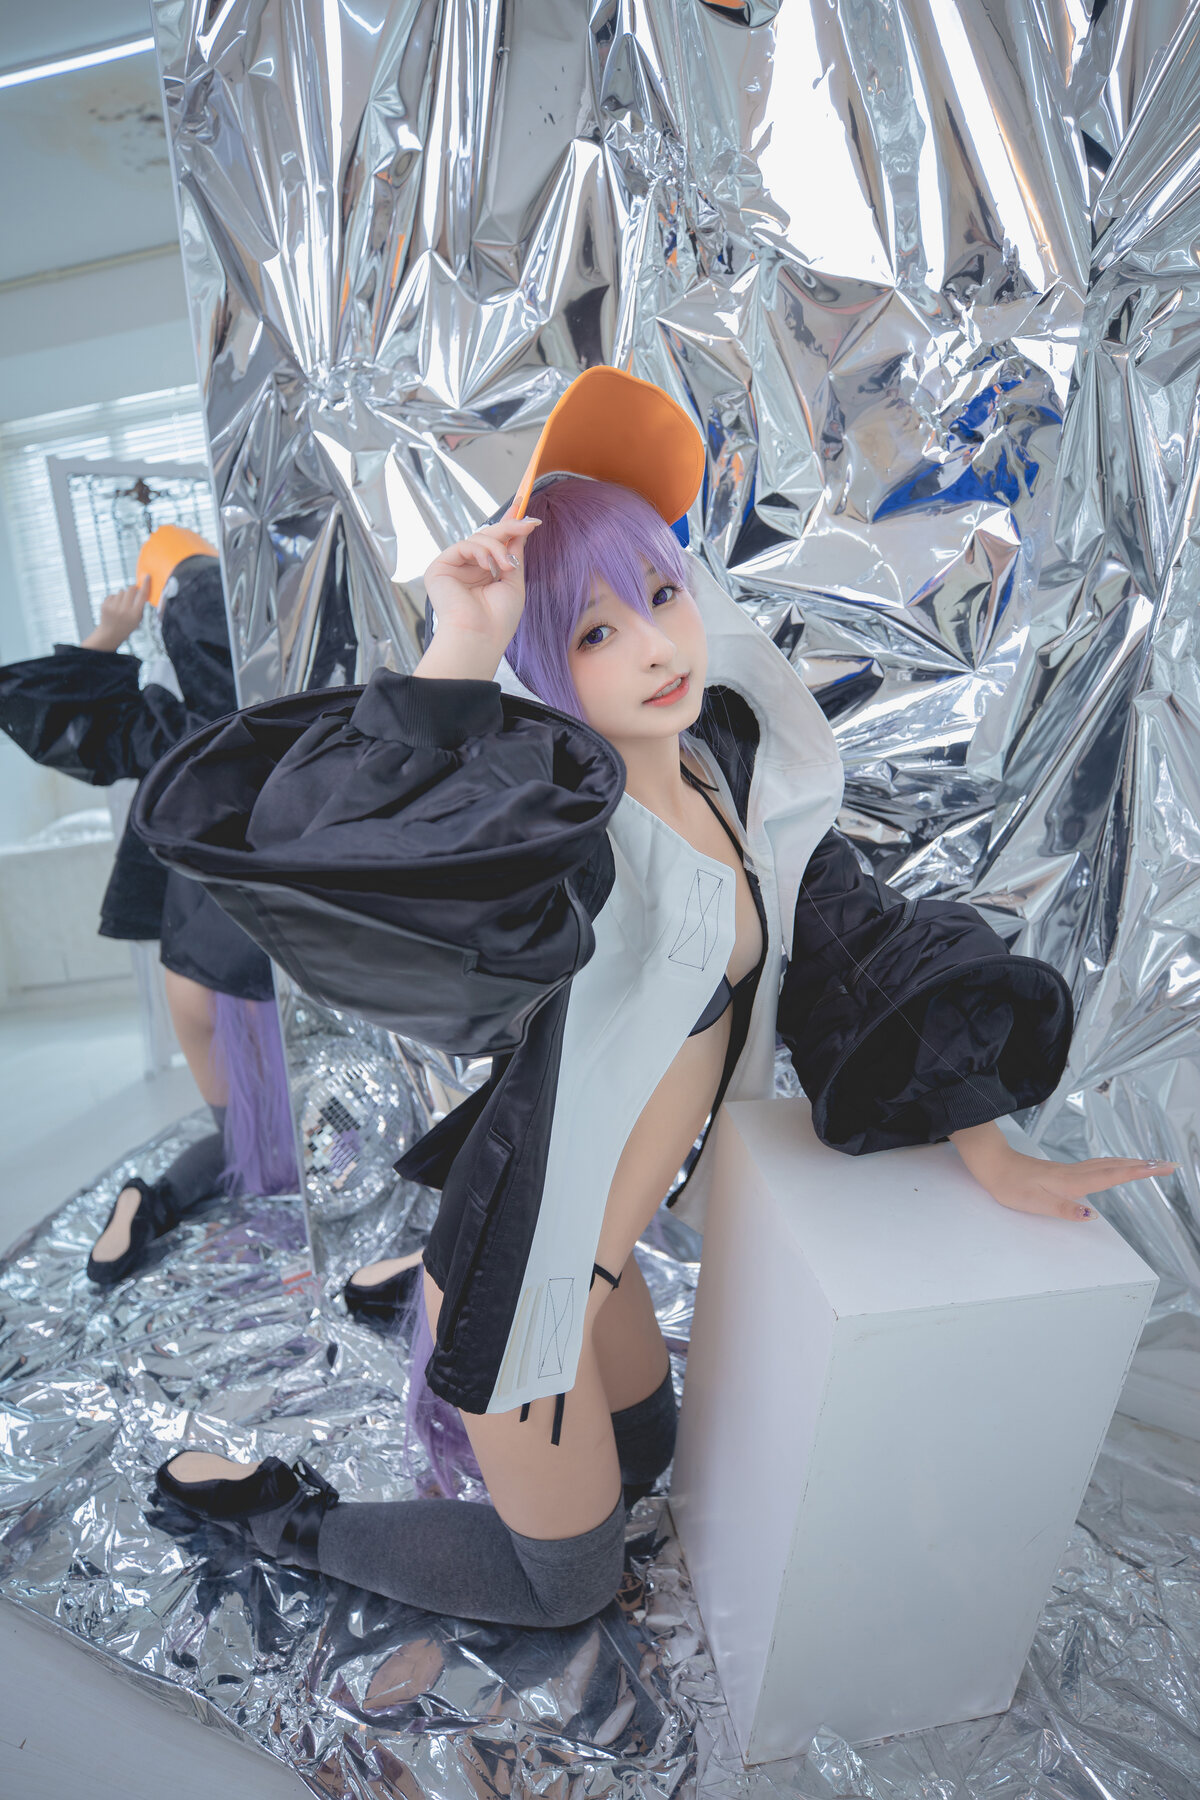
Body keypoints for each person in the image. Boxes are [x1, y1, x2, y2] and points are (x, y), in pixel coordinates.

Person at [139, 369, 1177, 1629]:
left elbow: (858, 949)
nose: (651, 646)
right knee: (564, 1587)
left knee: (656, 1464)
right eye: (592, 633)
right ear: (541, 663)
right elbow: (356, 837)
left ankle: (405, 1281)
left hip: (608, 1256)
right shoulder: (549, 836)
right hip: (526, 1264)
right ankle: (277, 1511)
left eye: (661, 596)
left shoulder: (732, 768)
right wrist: (463, 643)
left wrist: (991, 1148)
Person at [0, 530, 296, 1284]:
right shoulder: (316, 730)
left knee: (242, 1133)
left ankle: (148, 1199)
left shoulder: (171, 733)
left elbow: (45, 711)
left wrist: (110, 632)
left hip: (195, 966)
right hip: (293, 964)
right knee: (327, 1123)